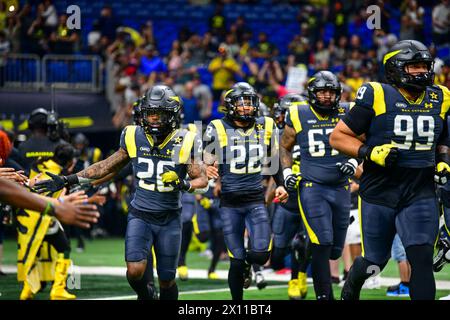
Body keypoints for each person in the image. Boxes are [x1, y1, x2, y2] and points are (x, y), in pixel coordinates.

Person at [35, 85, 208, 300]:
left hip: (169, 216)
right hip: (140, 214)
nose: (153, 119)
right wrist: (66, 179)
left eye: (159, 114)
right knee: (134, 271)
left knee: (167, 279)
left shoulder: (187, 139)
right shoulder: (133, 135)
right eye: (149, 113)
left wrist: (183, 183)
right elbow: (106, 166)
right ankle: (146, 295)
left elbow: (201, 179)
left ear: (171, 115)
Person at [330, 40, 450, 300]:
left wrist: (443, 159)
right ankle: (351, 287)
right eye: (413, 66)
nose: (421, 72)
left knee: (420, 258)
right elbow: (338, 137)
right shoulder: (376, 93)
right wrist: (369, 152)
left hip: (420, 191)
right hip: (379, 191)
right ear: (395, 69)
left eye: (424, 66)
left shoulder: (440, 96)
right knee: (375, 260)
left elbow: (444, 138)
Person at [204, 82, 288, 300]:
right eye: (242, 103)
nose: (247, 107)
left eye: (250, 103)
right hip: (230, 203)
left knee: (260, 254)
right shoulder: (218, 127)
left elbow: (274, 159)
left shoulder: (266, 125)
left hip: (255, 199)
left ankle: (249, 266)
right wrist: (208, 165)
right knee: (236, 259)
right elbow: (205, 157)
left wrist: (280, 183)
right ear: (231, 106)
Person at [280, 71, 358, 300]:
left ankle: (304, 255)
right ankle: (324, 296)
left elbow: (365, 140)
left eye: (331, 92)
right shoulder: (298, 112)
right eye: (322, 91)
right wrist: (286, 173)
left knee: (335, 249)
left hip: (341, 187)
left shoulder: (349, 110)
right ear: (313, 93)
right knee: (322, 243)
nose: (326, 96)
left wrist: (354, 161)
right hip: (312, 187)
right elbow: (284, 146)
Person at [270, 93, 309, 300]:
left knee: (302, 243)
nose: (282, 117)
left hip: (309, 196)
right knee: (278, 252)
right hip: (285, 198)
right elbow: (271, 170)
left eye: (287, 113)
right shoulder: (275, 137)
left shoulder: (310, 134)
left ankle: (298, 277)